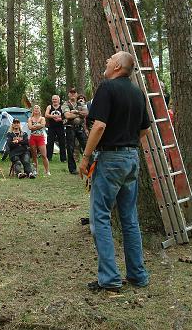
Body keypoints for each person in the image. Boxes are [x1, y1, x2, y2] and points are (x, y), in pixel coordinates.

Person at [79, 51, 150, 293]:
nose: (107, 61)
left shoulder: (107, 88)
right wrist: (128, 144)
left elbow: (98, 125)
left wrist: (86, 157)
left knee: (100, 216)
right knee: (129, 218)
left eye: (110, 59)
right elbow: (144, 130)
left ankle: (109, 279)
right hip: (132, 158)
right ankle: (138, 275)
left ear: (118, 66)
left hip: (111, 159)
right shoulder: (138, 94)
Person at [62, 88, 88, 175]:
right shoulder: (65, 104)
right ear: (69, 94)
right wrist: (79, 114)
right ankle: (72, 169)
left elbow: (86, 114)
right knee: (70, 148)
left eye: (74, 93)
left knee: (86, 147)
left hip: (80, 128)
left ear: (76, 94)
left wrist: (76, 111)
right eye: (71, 92)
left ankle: (89, 166)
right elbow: (67, 116)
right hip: (70, 128)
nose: (73, 94)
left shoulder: (81, 103)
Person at [27, 105, 50, 176]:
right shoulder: (30, 118)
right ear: (33, 110)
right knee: (34, 155)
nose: (36, 109)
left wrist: (35, 126)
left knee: (44, 155)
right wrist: (38, 125)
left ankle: (47, 171)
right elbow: (30, 127)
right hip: (33, 138)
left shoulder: (42, 118)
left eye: (37, 108)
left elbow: (43, 125)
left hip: (40, 138)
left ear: (39, 110)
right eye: (35, 108)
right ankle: (35, 171)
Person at [45, 95, 66, 163]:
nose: (54, 100)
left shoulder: (62, 107)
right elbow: (46, 115)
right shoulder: (49, 107)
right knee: (50, 142)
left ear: (58, 100)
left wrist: (60, 118)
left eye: (55, 99)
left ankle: (63, 159)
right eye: (53, 99)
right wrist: (54, 116)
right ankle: (48, 158)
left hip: (60, 126)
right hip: (51, 127)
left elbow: (65, 115)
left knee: (62, 142)